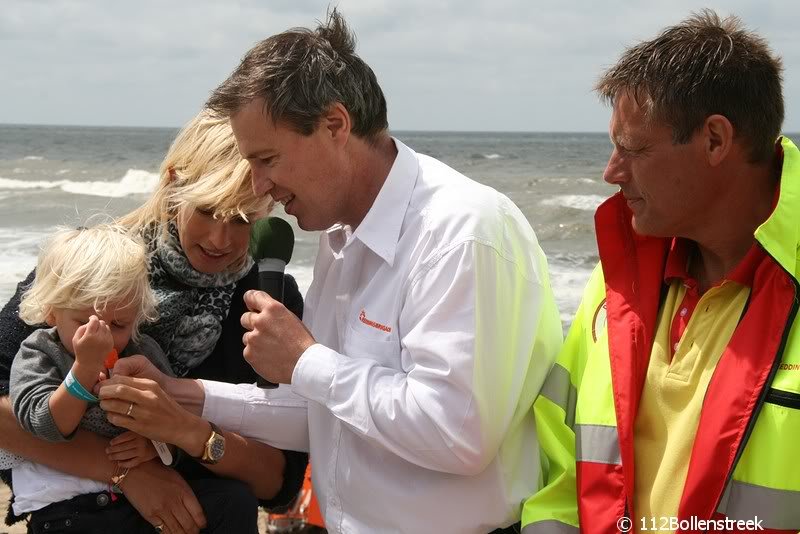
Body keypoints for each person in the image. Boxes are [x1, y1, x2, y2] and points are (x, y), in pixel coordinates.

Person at [99, 9, 563, 534]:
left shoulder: (461, 230)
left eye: (267, 159)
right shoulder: (342, 236)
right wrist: (183, 393)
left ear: (336, 126)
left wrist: (306, 360)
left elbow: (455, 434)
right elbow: (325, 416)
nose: (258, 186)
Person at [521, 10, 800, 534]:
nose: (611, 171)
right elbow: (557, 467)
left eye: (633, 149)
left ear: (716, 140)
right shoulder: (613, 286)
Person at [0, 110, 308, 534]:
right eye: (206, 210)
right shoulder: (89, 265)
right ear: (172, 182)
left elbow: (280, 480)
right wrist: (127, 473)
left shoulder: (269, 299)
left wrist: (189, 434)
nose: (221, 240)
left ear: (266, 204)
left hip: (205, 516)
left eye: (241, 218)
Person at [7, 224, 258, 534]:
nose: (104, 336)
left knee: (234, 502)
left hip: (133, 503)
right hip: (67, 506)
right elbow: (44, 426)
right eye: (84, 321)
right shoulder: (40, 352)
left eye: (119, 323)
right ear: (51, 312)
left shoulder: (141, 353)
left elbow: (172, 418)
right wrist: (83, 370)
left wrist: (156, 447)